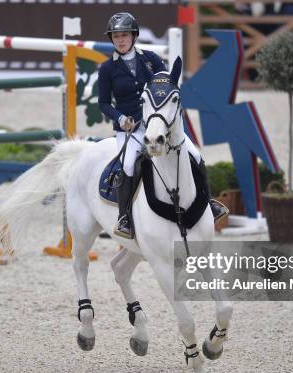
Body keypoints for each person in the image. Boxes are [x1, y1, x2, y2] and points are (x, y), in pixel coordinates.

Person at [98, 12, 228, 239]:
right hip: (130, 129)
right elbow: (104, 103)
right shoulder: (107, 68)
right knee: (128, 165)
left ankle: (208, 203)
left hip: (158, 126)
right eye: (116, 36)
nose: (120, 40)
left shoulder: (151, 59)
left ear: (134, 36)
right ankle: (125, 218)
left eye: (125, 35)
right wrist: (120, 118)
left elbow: (166, 87)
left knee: (195, 155)